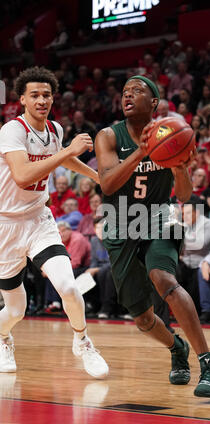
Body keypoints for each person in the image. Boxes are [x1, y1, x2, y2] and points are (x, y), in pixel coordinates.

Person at [95, 75, 210, 398]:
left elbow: (183, 194)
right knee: (142, 318)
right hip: (121, 222)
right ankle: (176, 347)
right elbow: (108, 185)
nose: (128, 95)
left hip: (159, 216)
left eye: (137, 91)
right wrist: (143, 152)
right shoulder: (108, 136)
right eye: (125, 92)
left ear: (153, 103)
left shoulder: (171, 133)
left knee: (163, 278)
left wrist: (180, 167)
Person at [0, 66, 108, 379]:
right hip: (6, 226)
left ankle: (83, 340)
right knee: (16, 310)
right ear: (22, 99)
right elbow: (22, 176)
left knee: (68, 287)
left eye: (46, 94)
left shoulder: (55, 130)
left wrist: (96, 176)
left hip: (38, 220)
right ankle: (4, 338)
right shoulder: (12, 131)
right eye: (34, 94)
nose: (41, 100)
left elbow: (62, 155)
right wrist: (68, 152)